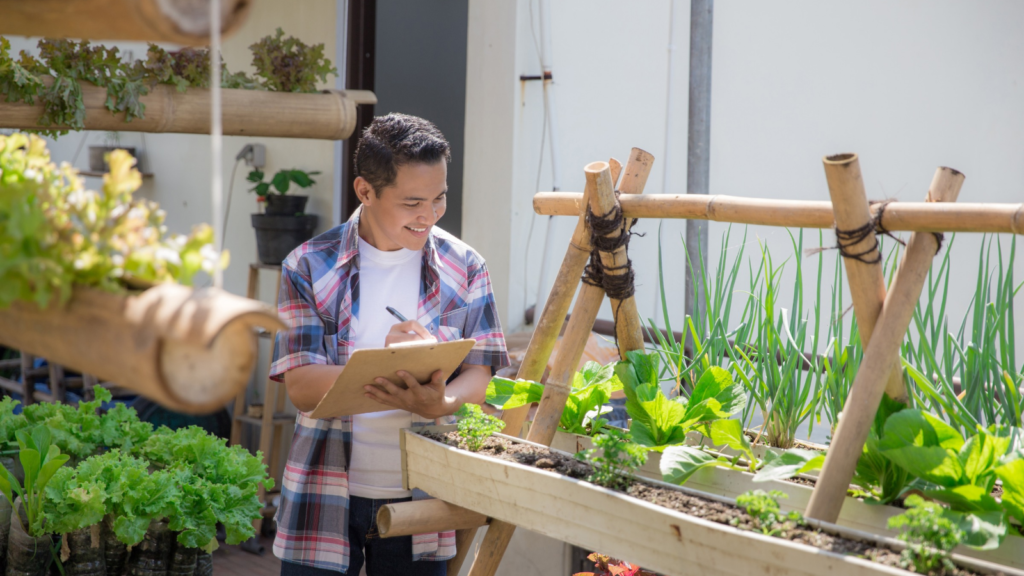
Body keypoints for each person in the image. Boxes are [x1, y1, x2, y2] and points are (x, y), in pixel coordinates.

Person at [269, 113, 509, 576]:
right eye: (413, 202)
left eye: (439, 198)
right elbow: (300, 385)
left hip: (422, 499)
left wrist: (442, 401)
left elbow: (481, 371)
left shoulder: (466, 266)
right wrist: (393, 363)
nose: (430, 215)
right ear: (365, 191)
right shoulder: (308, 265)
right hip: (325, 492)